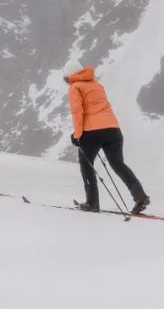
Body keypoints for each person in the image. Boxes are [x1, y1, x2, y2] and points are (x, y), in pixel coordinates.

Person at [64, 59, 150, 214]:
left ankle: (92, 203)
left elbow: (78, 112)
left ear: (69, 76)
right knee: (118, 165)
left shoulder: (74, 87)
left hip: (91, 132)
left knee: (87, 166)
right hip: (113, 129)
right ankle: (140, 196)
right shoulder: (97, 85)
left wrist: (77, 135)